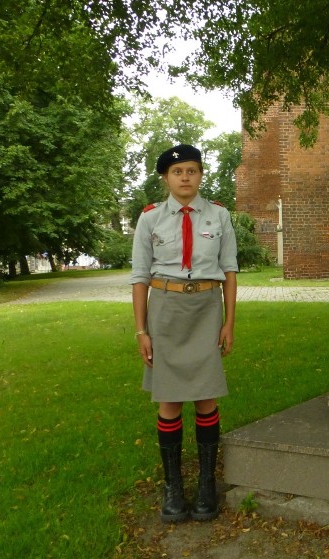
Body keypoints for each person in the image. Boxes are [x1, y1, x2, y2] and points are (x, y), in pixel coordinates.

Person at [130, 143, 239, 523]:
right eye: (177, 172)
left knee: (206, 397)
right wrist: (141, 330)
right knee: (170, 401)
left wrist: (229, 322)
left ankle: (207, 484)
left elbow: (229, 270)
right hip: (166, 311)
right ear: (165, 178)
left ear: (200, 175)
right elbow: (140, 277)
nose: (185, 177)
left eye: (192, 170)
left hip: (207, 309)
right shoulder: (150, 218)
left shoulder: (219, 215)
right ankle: (173, 487)